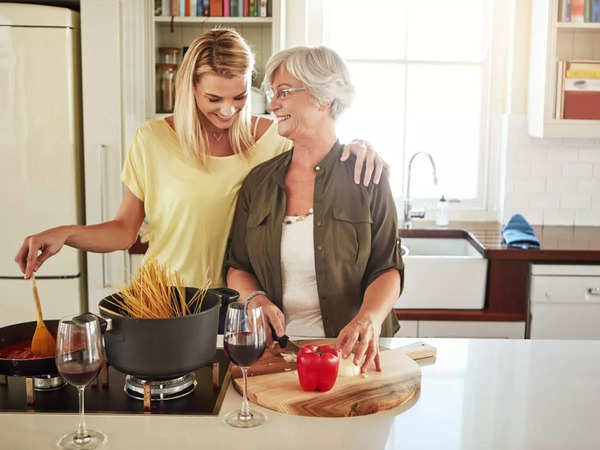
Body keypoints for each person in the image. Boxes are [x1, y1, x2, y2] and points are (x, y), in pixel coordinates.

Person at [14, 29, 387, 293]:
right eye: (213, 99)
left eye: (239, 97)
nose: (228, 111)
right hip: (166, 300)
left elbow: (320, 143)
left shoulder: (274, 139)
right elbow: (125, 230)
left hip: (243, 301)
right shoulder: (153, 140)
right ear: (190, 88)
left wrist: (360, 145)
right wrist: (65, 233)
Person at [226, 45, 404, 374]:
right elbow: (238, 266)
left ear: (323, 98)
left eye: (283, 92)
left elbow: (388, 268)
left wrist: (370, 319)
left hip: (356, 358)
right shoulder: (258, 183)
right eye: (271, 92)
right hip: (278, 357)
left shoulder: (367, 176)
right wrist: (256, 300)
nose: (272, 103)